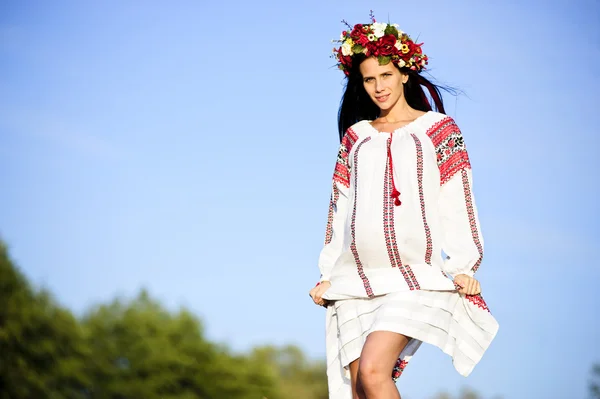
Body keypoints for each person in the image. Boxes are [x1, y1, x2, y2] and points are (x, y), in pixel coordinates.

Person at [308, 15, 499, 399]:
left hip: (413, 276)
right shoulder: (356, 137)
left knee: (376, 372)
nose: (378, 87)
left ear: (405, 73)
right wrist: (328, 271)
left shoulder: (438, 129)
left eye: (386, 75)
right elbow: (339, 209)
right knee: (361, 385)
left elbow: (458, 197)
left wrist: (462, 265)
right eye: (368, 79)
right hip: (353, 282)